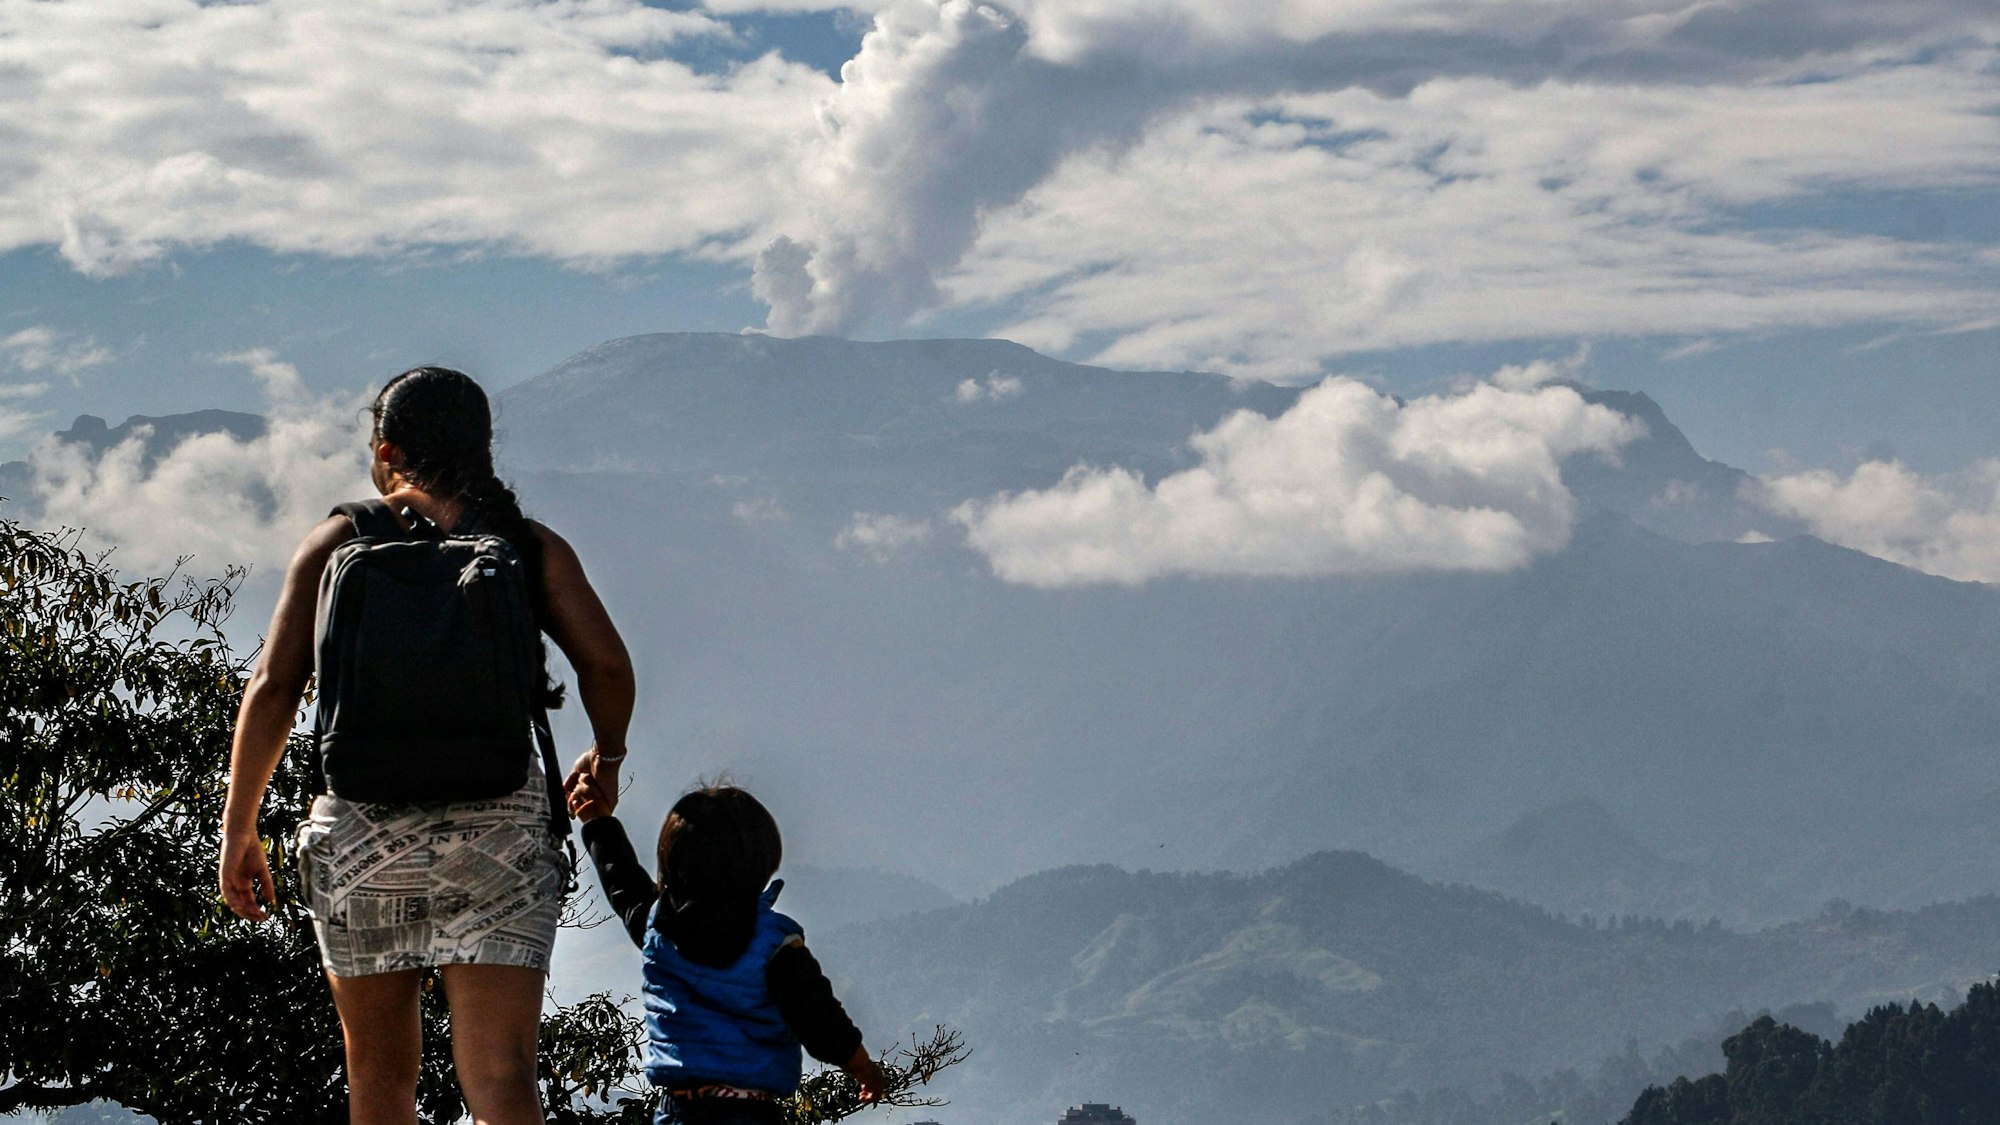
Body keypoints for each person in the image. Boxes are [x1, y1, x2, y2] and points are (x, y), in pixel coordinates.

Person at [218, 366, 636, 1125]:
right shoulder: (525, 544)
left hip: (363, 837)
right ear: (482, 449)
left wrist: (239, 827)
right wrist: (606, 760)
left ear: (386, 452)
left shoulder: (338, 540)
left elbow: (274, 686)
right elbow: (606, 665)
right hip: (499, 836)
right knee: (503, 1075)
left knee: (380, 1080)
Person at [565, 775, 885, 1125]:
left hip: (678, 1111)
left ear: (671, 861)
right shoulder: (776, 945)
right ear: (763, 861)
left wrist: (597, 820)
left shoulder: (659, 928)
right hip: (752, 1111)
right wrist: (861, 1066)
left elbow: (622, 879)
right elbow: (818, 1018)